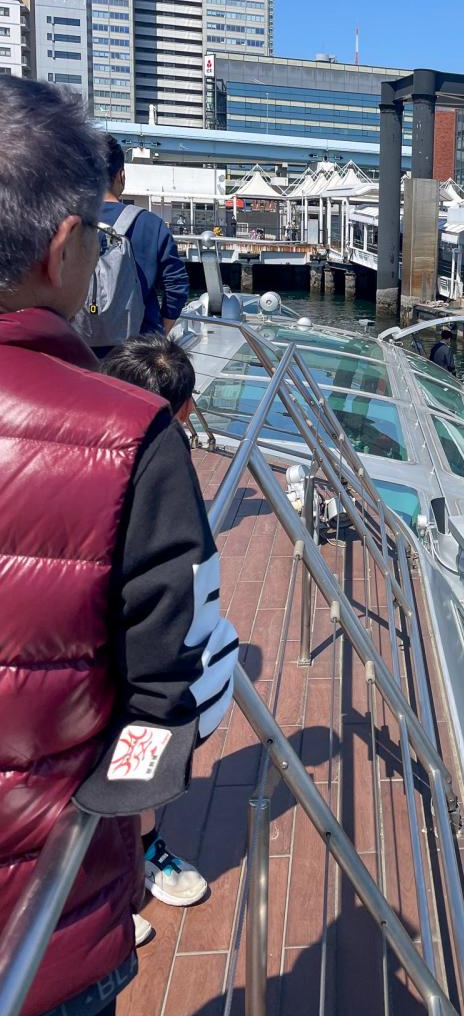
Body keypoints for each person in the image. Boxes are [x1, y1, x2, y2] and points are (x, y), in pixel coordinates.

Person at [0, 78, 238, 1016]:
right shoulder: (135, 439)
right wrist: (117, 819)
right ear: (64, 249)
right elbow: (164, 693)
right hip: (44, 919)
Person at [98, 335, 209, 915]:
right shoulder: (166, 457)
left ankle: (129, 857)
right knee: (131, 746)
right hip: (131, 654)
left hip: (83, 645)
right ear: (184, 408)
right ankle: (133, 860)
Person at [101, 135, 189, 339]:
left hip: (77, 347)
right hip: (137, 347)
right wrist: (160, 331)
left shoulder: (65, 222)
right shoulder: (150, 224)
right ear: (121, 175)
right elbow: (177, 285)